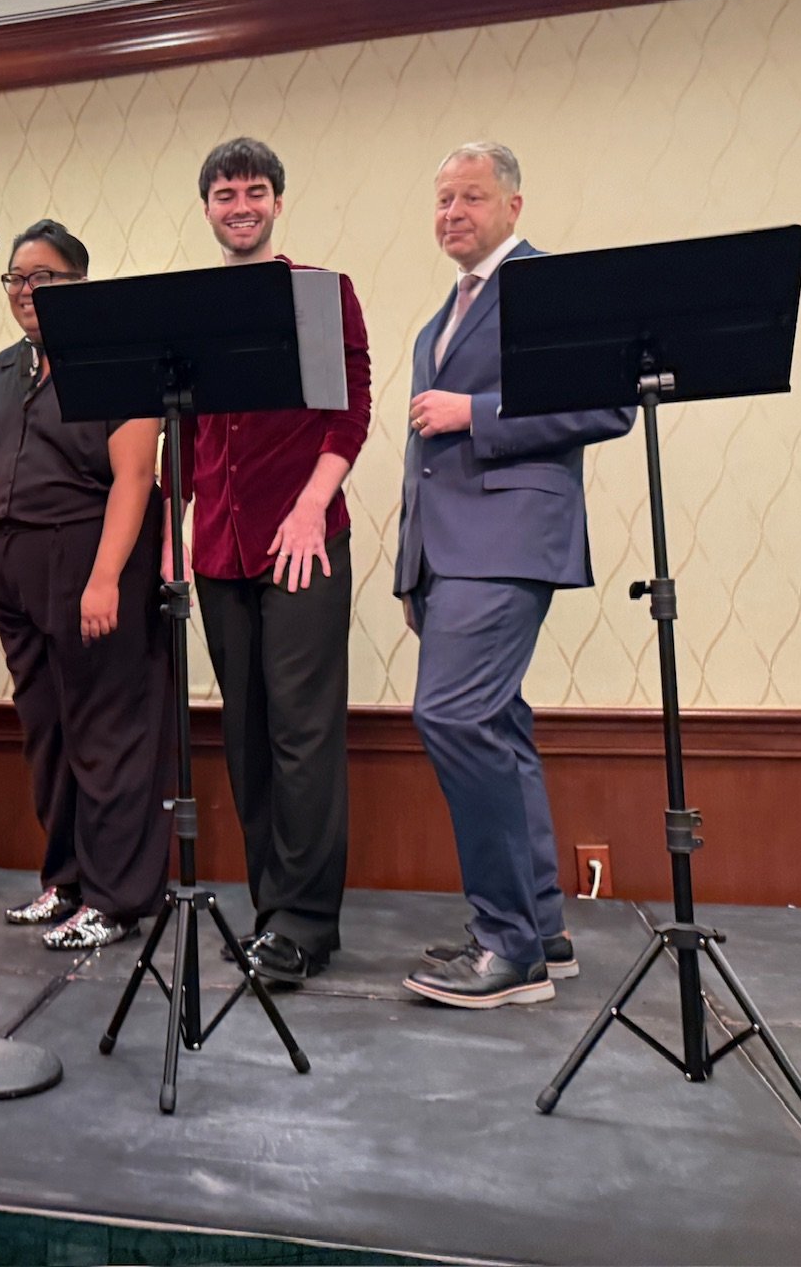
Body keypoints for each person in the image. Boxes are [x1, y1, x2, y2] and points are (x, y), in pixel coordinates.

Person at [396, 141, 633, 1009]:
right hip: (451, 554)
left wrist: (476, 411)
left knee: (453, 715)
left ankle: (508, 950)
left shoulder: (543, 287)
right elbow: (423, 461)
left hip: (508, 541)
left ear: (513, 206)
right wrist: (414, 569)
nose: (453, 213)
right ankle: (542, 928)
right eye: (443, 199)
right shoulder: (441, 318)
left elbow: (607, 400)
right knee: (494, 722)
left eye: (471, 197)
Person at [184, 137, 372, 989]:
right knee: (248, 735)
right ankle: (272, 914)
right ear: (208, 208)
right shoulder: (194, 306)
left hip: (302, 542)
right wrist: (175, 527)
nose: (241, 206)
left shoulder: (320, 294)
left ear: (277, 203)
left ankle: (306, 923)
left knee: (303, 733)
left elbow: (347, 412)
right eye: (226, 194)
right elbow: (188, 430)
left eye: (255, 191)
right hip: (219, 550)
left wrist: (309, 508)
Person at [0, 219, 172, 950]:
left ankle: (116, 898)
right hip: (16, 563)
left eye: (45, 278)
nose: (26, 290)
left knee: (107, 734)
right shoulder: (4, 368)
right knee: (49, 734)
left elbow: (135, 476)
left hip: (91, 559)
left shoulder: (116, 358)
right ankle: (66, 881)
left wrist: (105, 578)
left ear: (80, 286)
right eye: (17, 278)